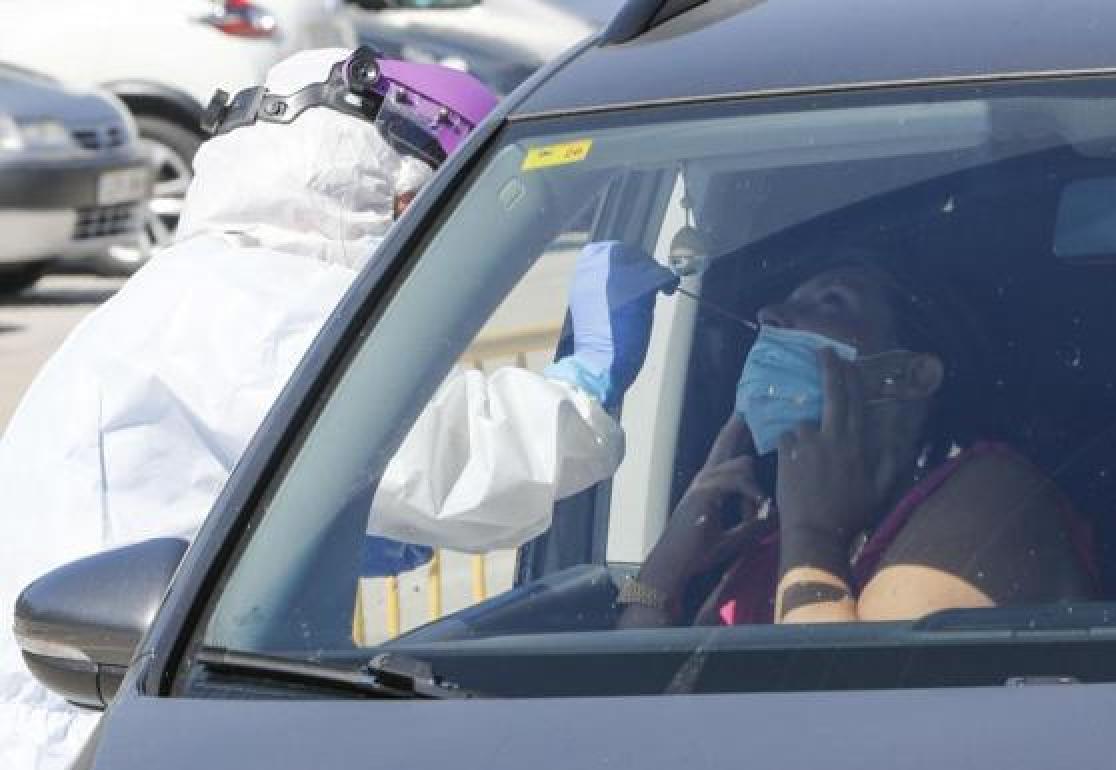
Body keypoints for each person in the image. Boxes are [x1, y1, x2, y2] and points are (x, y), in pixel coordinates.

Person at [0, 46, 671, 770]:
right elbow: (463, 461)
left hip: (135, 701)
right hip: (97, 731)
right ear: (390, 196)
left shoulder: (205, 285)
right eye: (426, 212)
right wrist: (587, 384)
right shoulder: (253, 300)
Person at [618, 255, 1097, 628]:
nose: (771, 314)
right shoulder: (778, 535)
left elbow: (853, 718)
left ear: (912, 375)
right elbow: (652, 710)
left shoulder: (991, 496)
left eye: (831, 302)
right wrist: (665, 569)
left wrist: (815, 539)